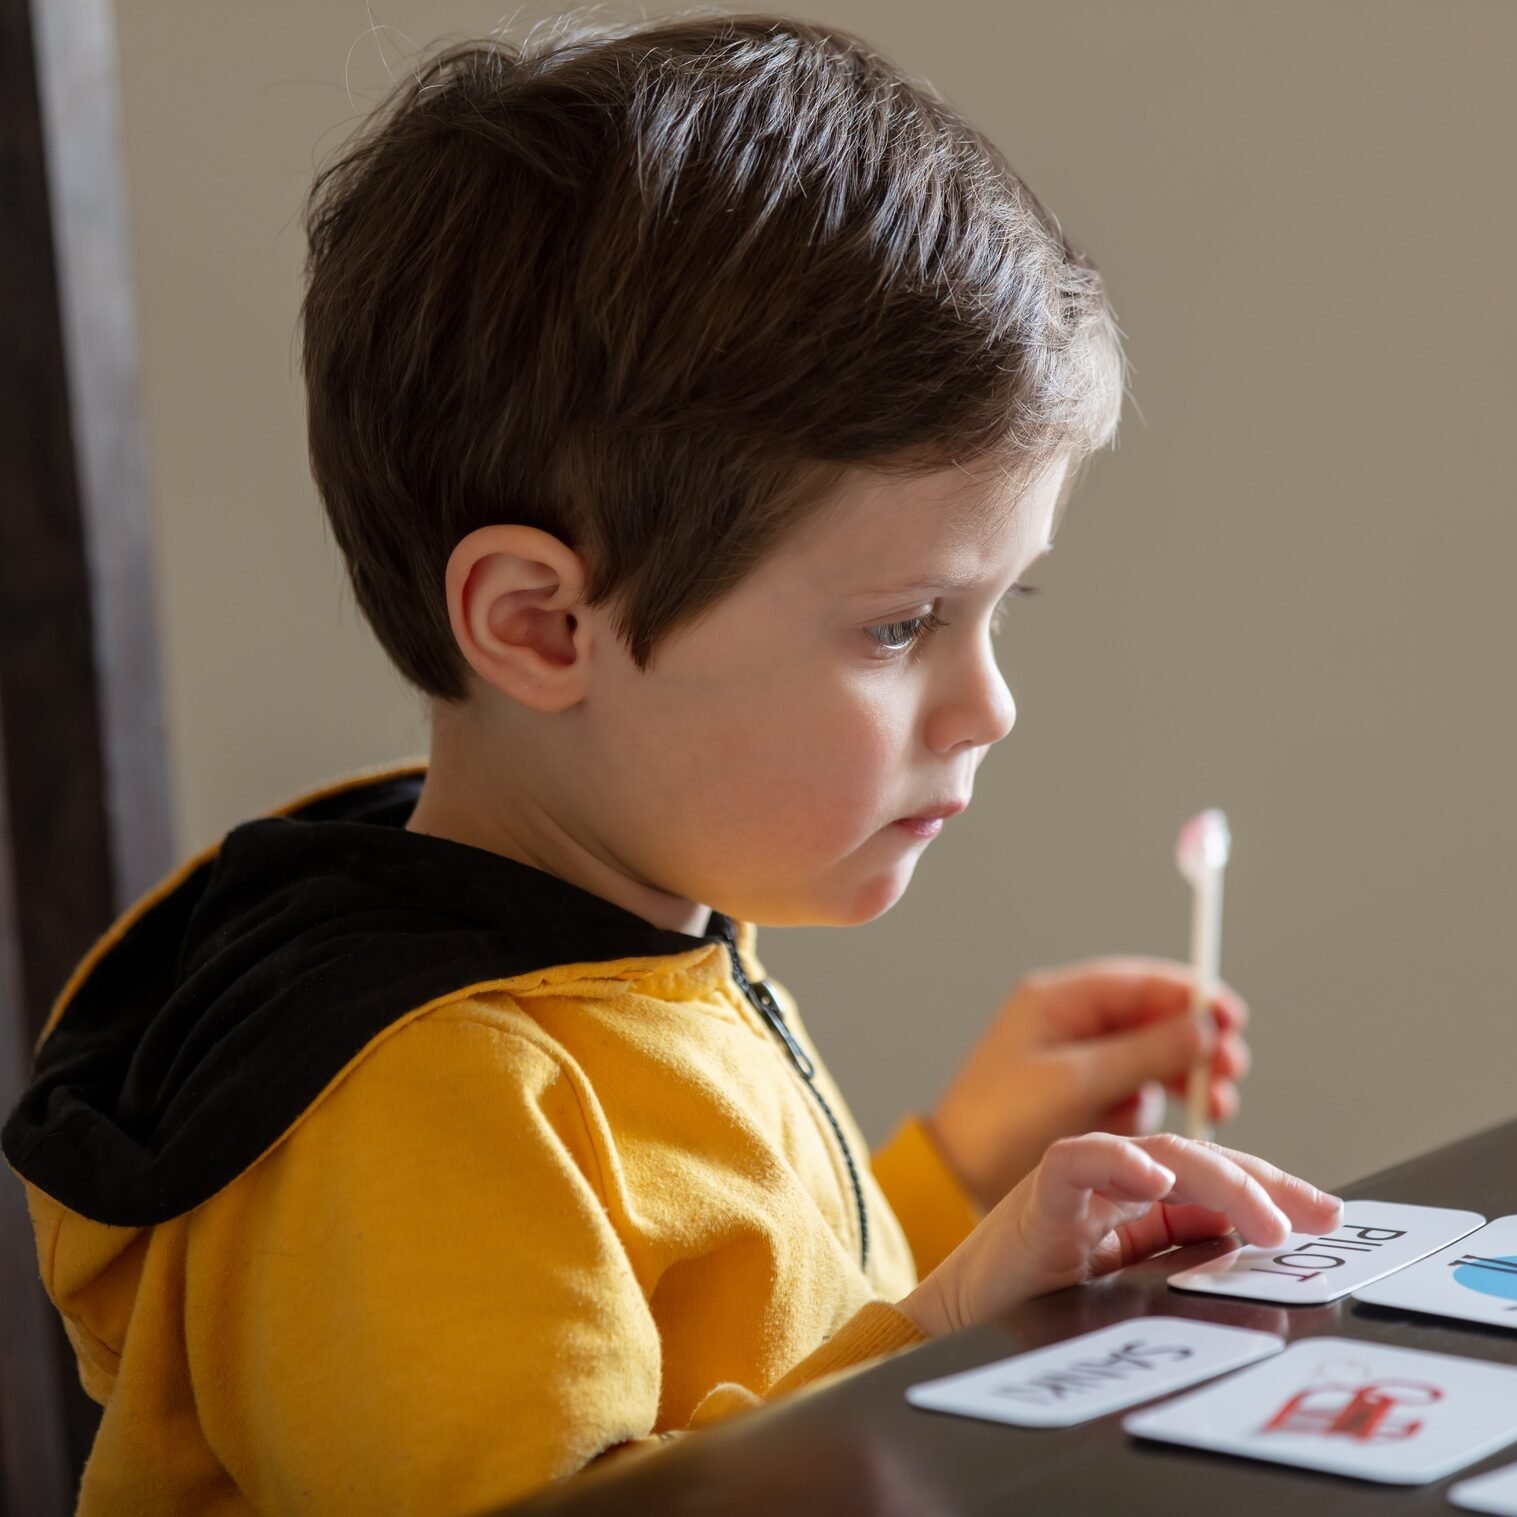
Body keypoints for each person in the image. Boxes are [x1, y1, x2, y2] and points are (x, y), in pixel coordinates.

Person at [1, 12, 1341, 1514]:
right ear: (540, 624)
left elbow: (706, 1336)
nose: (990, 706)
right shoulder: (430, 1101)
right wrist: (948, 1325)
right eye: (902, 624)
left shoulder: (619, 922)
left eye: (990, 609)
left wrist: (958, 1171)